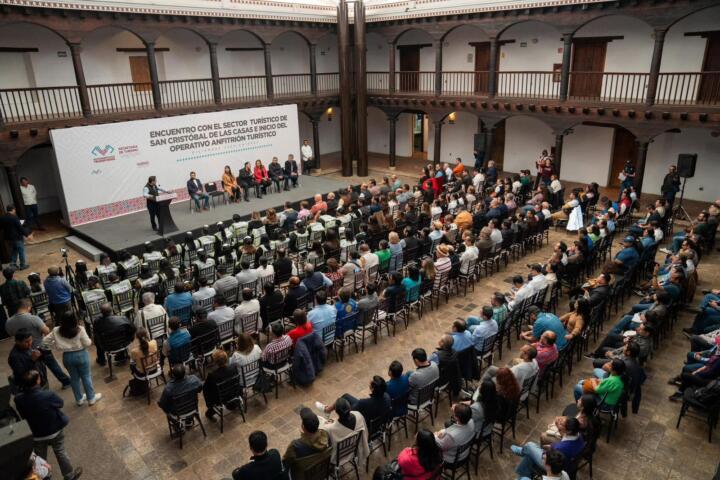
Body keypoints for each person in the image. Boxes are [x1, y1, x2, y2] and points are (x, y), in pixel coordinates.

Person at [14, 370, 83, 480]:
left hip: (36, 434)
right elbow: (60, 403)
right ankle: (69, 475)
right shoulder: (47, 394)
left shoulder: (18, 399)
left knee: (40, 457)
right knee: (60, 451)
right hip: (54, 430)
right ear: (38, 380)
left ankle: (45, 476)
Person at [6, 298, 71, 387]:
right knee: (52, 364)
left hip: (24, 351)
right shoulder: (33, 318)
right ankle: (66, 382)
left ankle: (38, 385)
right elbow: (46, 331)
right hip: (41, 346)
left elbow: (11, 334)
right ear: (28, 307)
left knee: (32, 369)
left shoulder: (9, 322)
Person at [42, 312, 102, 406]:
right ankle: (91, 398)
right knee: (86, 376)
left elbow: (44, 342)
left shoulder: (56, 330)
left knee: (74, 379)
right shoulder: (80, 329)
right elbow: (87, 343)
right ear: (74, 320)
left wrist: (55, 346)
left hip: (67, 357)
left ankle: (79, 399)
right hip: (81, 355)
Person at [512, 417, 584, 479]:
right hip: (566, 464)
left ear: (568, 431)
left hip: (554, 466)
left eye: (562, 426)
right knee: (529, 456)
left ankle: (522, 451)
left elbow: (547, 457)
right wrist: (552, 445)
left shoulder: (561, 448)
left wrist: (548, 450)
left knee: (530, 446)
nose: (560, 426)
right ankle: (522, 474)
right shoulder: (579, 435)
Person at [316, 397, 370, 464]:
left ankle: (326, 411)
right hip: (355, 449)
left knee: (320, 420)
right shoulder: (358, 415)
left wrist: (328, 424)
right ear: (349, 407)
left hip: (338, 458)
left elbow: (325, 444)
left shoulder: (330, 429)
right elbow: (365, 433)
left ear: (336, 412)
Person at [283, 407, 331, 478]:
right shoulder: (326, 435)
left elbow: (286, 461)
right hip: (321, 471)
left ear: (303, 427)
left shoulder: (295, 445)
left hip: (302, 476)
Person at [203, 349, 240, 419]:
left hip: (220, 399)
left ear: (215, 362)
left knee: (207, 390)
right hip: (233, 393)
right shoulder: (233, 368)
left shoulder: (212, 375)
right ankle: (233, 404)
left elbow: (205, 389)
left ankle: (210, 410)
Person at [1, 205, 33, 269]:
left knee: (14, 250)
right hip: (16, 237)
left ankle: (13, 264)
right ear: (13, 210)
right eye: (14, 210)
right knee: (21, 251)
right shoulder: (14, 217)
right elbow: (20, 228)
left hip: (8, 238)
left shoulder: (2, 218)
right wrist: (27, 235)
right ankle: (22, 265)